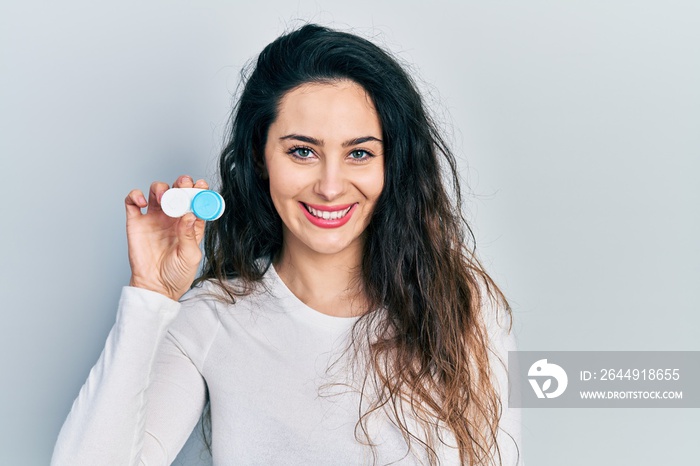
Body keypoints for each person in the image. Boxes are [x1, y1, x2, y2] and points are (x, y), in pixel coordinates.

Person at [51, 24, 523, 465]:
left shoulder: (466, 306)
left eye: (359, 153)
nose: (331, 186)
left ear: (390, 164)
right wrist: (149, 295)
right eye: (303, 151)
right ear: (261, 157)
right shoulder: (212, 319)